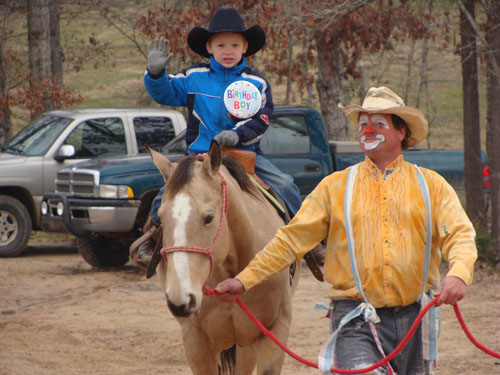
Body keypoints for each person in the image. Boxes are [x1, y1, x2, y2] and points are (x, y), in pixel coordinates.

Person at [214, 86, 478, 375]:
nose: (367, 130)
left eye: (379, 124)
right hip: (355, 319)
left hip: (417, 317)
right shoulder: (334, 187)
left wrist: (458, 273)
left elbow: (460, 234)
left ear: (401, 132)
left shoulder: (432, 185)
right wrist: (244, 280)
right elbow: (290, 241)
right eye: (363, 124)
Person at [133, 7, 302, 263]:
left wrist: (238, 135)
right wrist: (155, 75)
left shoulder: (257, 83)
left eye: (234, 44)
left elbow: (263, 118)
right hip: (200, 157)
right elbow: (166, 93)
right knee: (167, 194)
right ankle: (152, 239)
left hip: (245, 155)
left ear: (245, 47)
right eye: (221, 44)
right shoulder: (193, 77)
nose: (228, 50)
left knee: (286, 184)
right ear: (209, 47)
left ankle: (306, 241)